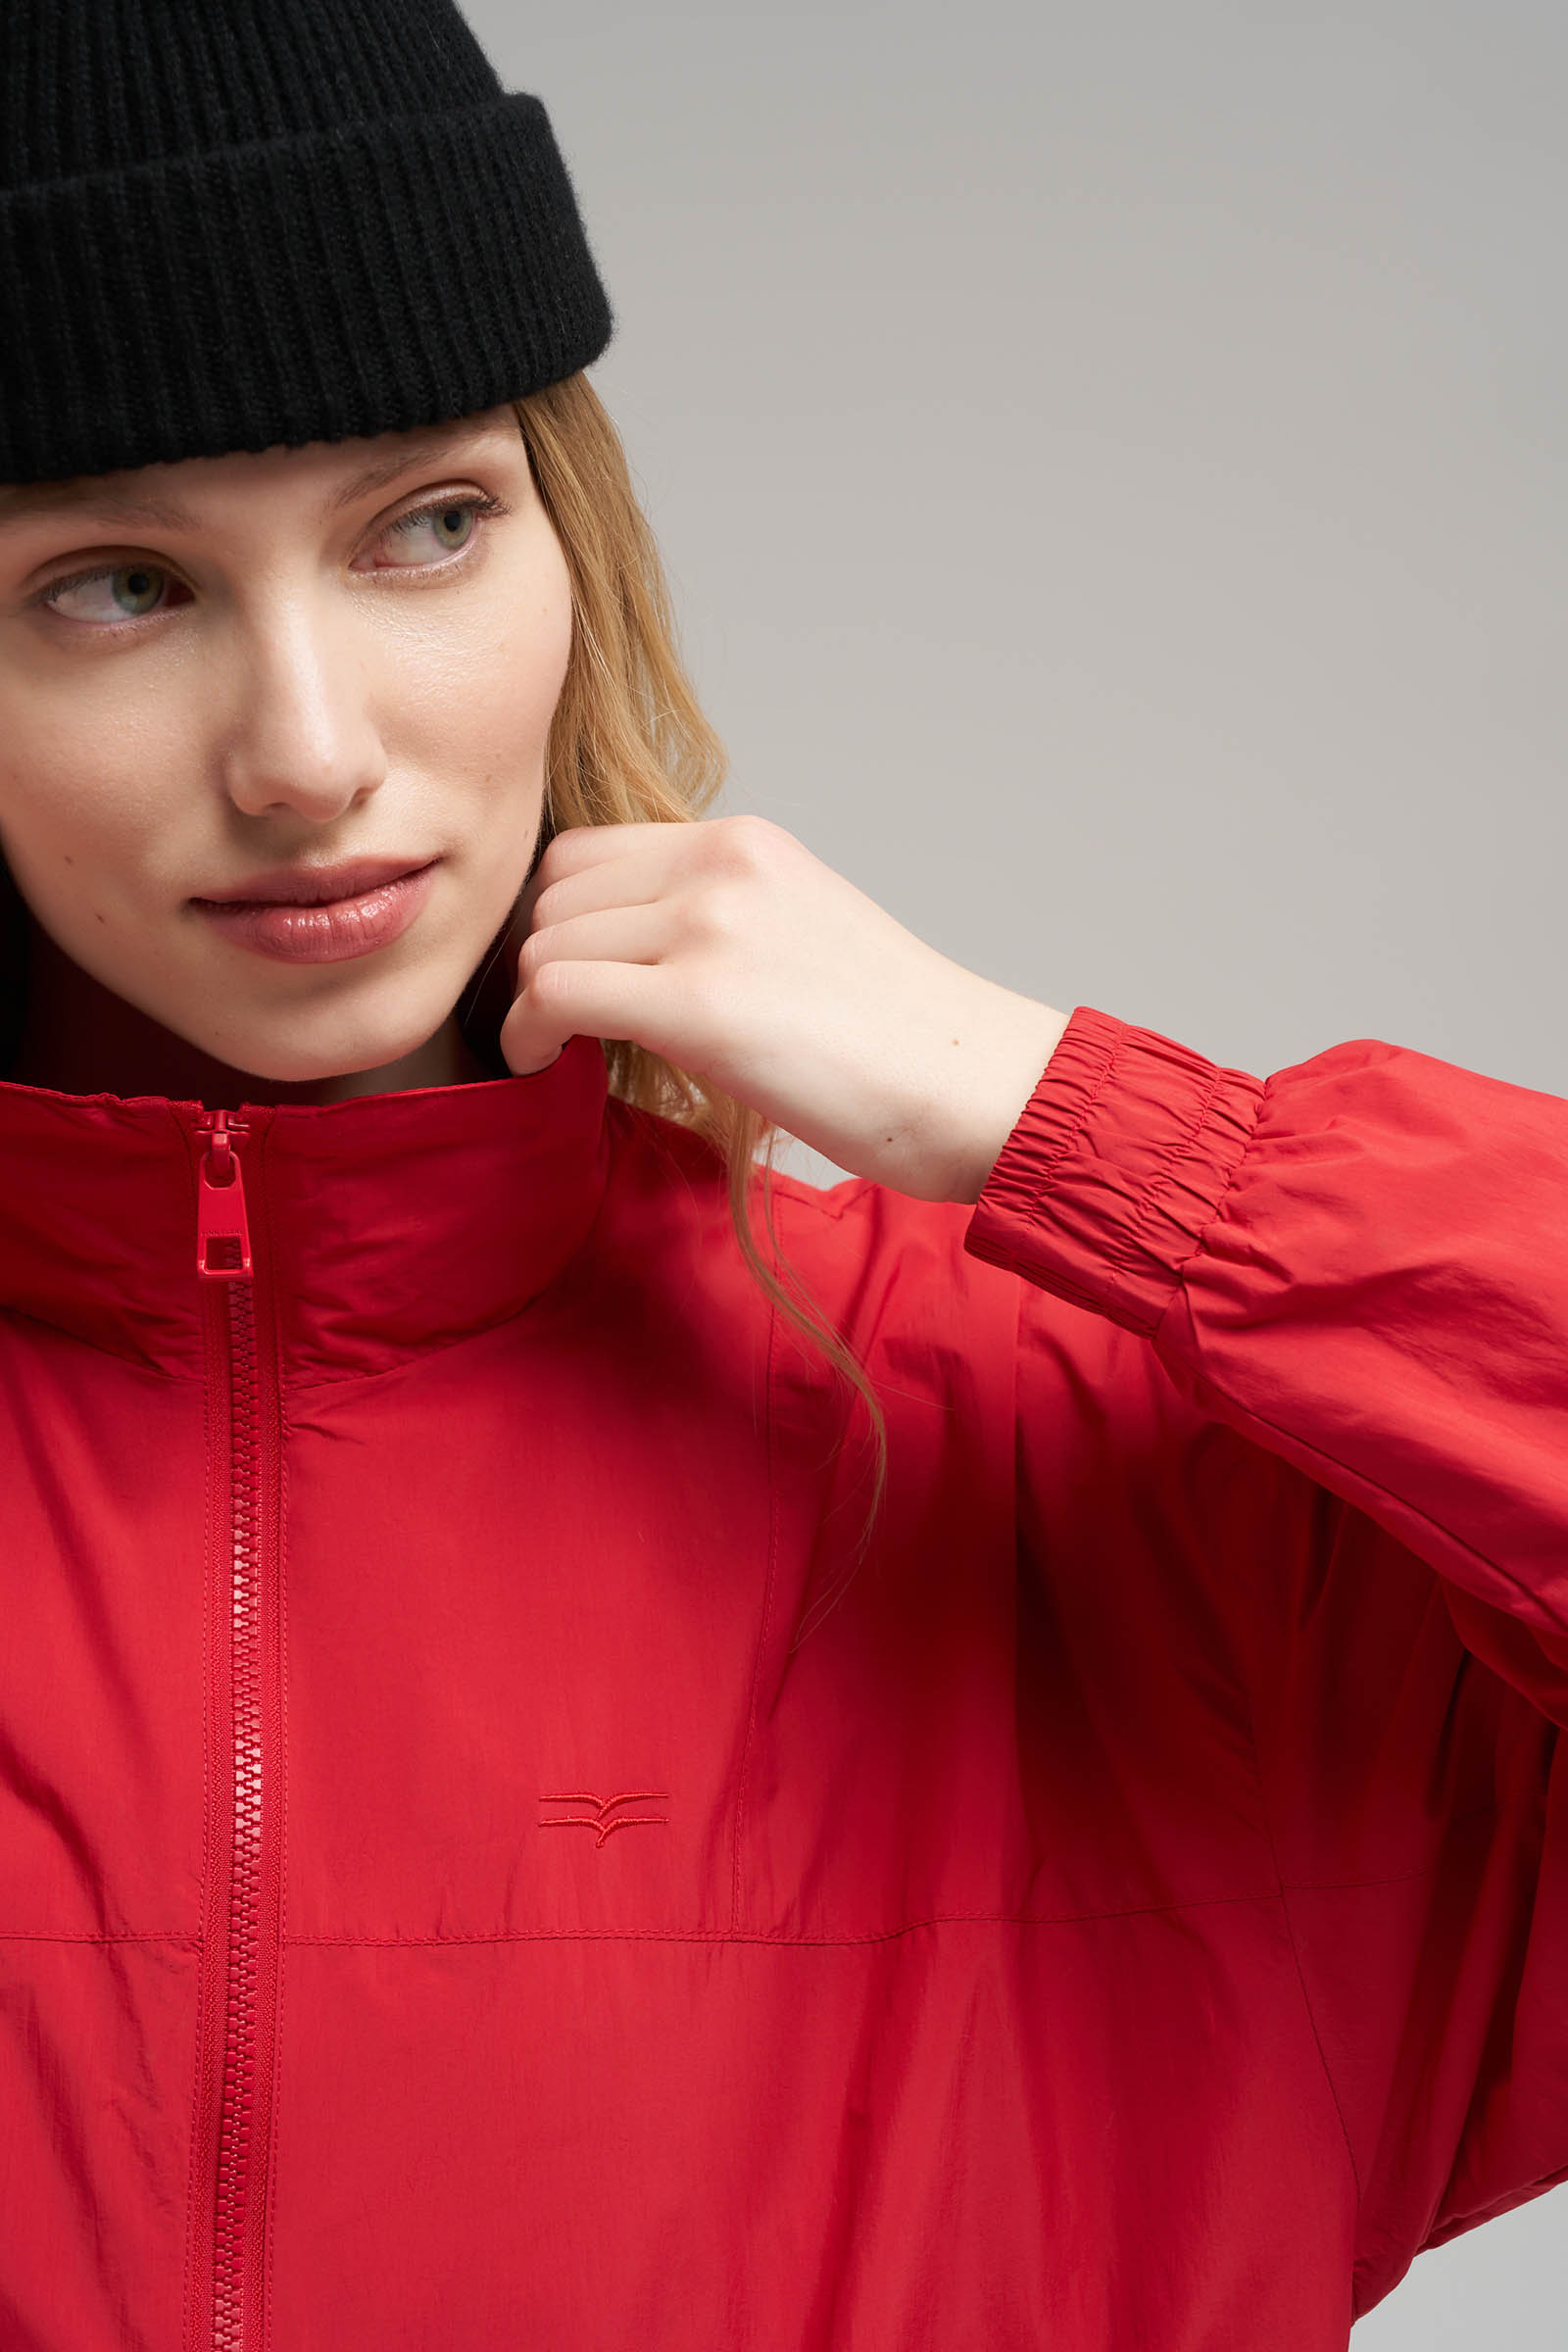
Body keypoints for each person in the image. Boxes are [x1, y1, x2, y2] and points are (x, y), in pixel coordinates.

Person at [0, 3, 1561, 2347]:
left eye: (425, 525)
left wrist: (1093, 1135)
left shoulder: (1085, 1484)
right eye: (116, 585)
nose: (308, 755)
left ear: (569, 548)